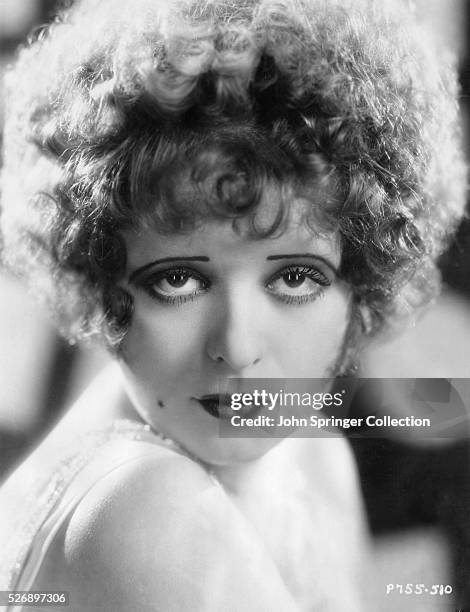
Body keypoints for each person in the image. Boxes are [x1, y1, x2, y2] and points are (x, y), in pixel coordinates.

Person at [0, 0, 466, 609]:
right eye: (178, 283)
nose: (239, 345)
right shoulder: (144, 504)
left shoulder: (312, 457)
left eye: (296, 278)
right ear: (100, 282)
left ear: (363, 284)